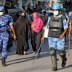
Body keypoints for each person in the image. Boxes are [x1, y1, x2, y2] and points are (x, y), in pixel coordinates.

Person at [41, 3, 68, 71]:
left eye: (56, 9)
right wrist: (43, 37)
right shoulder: (50, 18)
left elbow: (66, 28)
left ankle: (64, 58)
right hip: (51, 37)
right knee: (52, 52)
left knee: (61, 52)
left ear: (59, 10)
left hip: (60, 37)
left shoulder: (62, 18)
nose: (55, 11)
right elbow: (47, 27)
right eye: (54, 9)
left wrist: (63, 34)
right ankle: (55, 66)